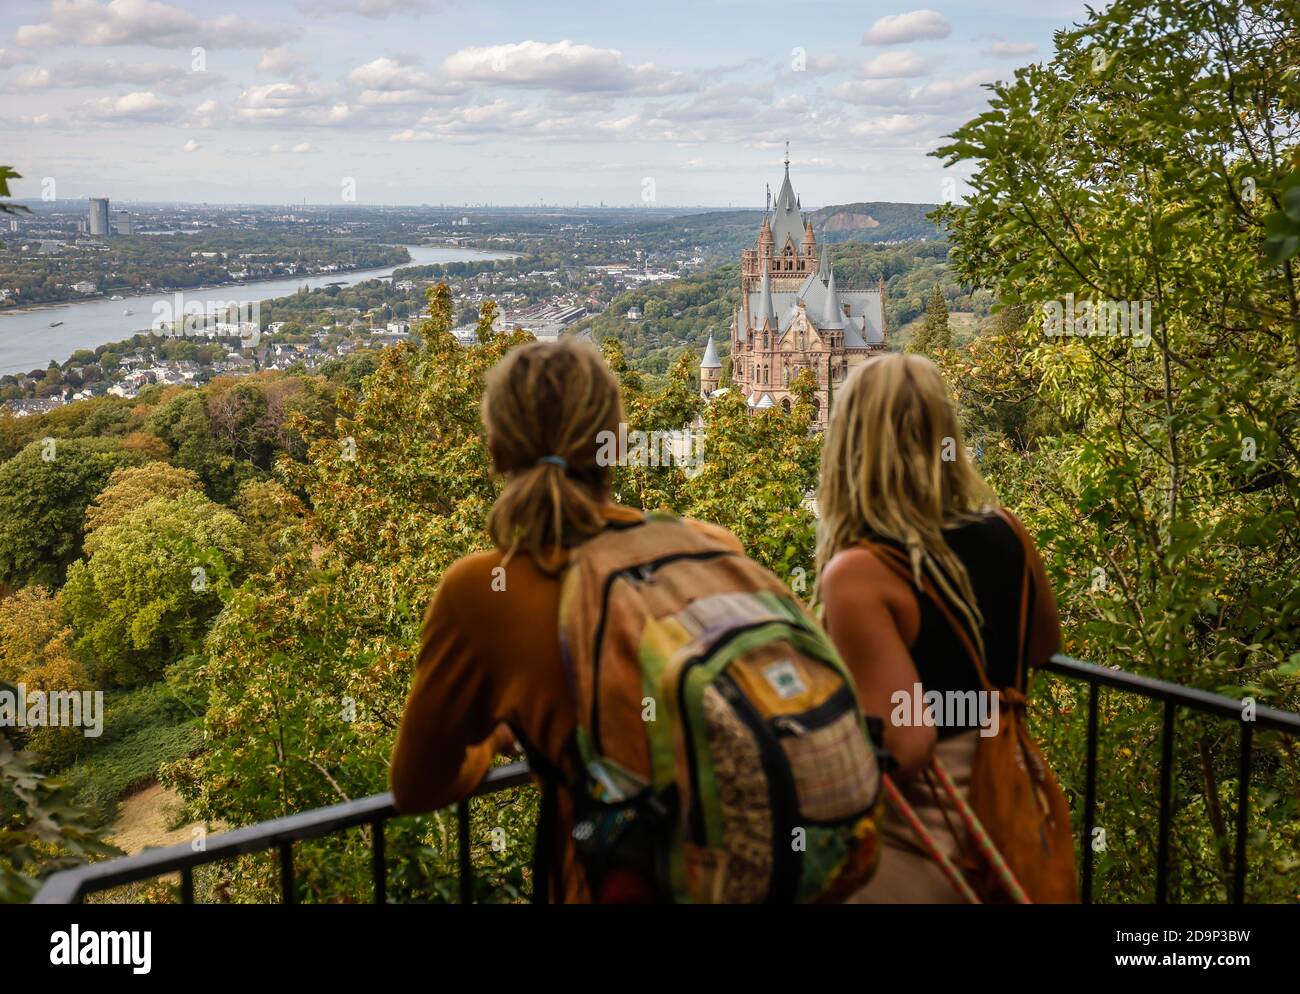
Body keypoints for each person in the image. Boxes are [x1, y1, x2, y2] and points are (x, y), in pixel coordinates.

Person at [389, 338, 742, 903]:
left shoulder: (482, 588)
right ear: (618, 446)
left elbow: (416, 785)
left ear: (498, 452)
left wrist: (506, 737)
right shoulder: (708, 545)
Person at [813, 353, 1062, 902]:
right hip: (1014, 811)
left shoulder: (859, 572)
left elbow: (905, 743)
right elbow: (1044, 646)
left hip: (923, 841)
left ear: (851, 444)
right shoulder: (1008, 530)